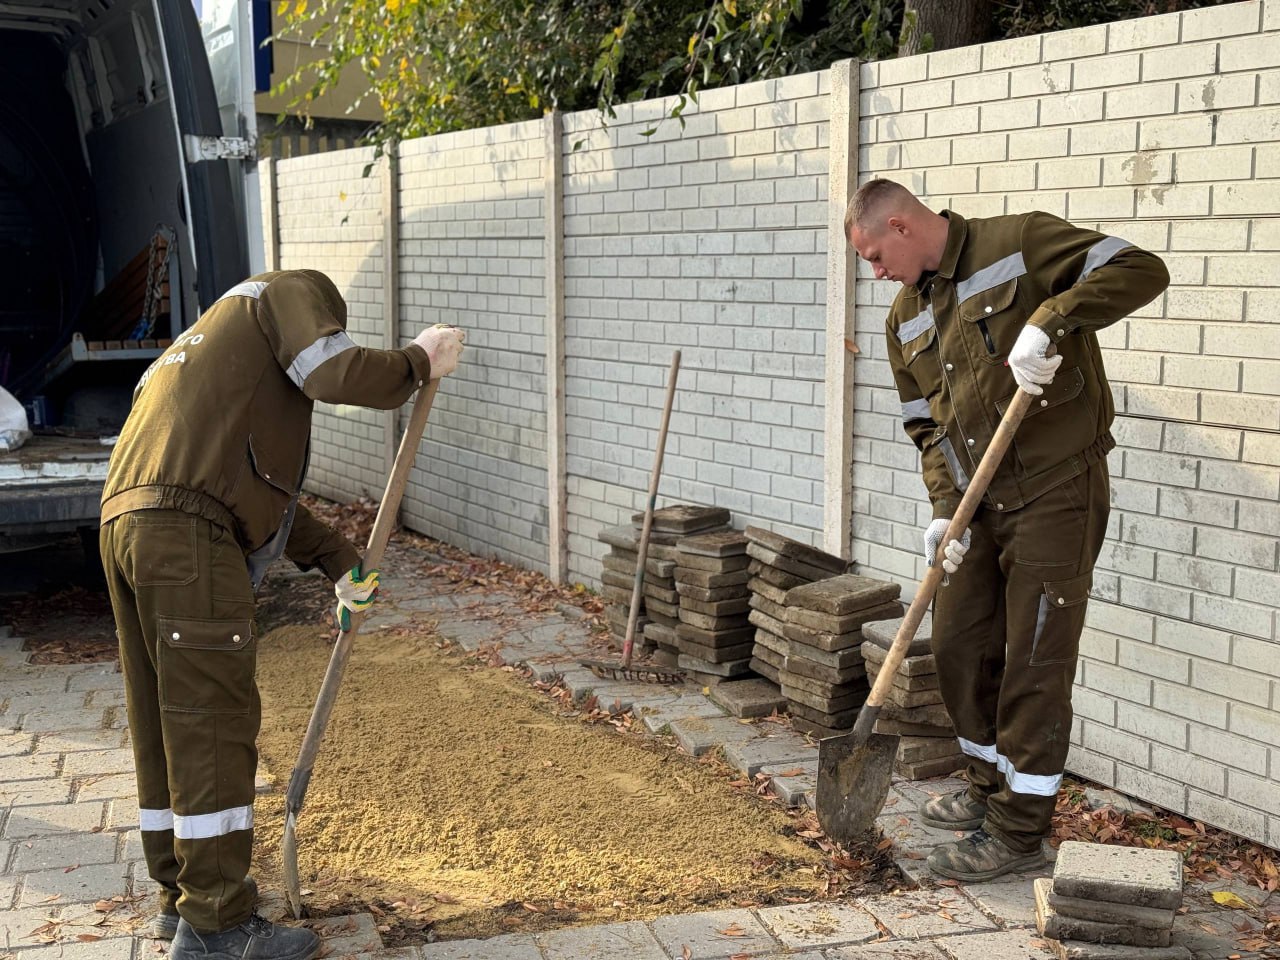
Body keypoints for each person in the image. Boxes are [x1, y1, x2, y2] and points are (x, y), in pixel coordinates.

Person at [99, 270, 465, 960]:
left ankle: (181, 904)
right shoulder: (285, 290)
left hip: (127, 526)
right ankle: (219, 927)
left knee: (165, 719)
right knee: (212, 723)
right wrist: (419, 361)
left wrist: (341, 565)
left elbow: (259, 492)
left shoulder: (200, 353)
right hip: (186, 536)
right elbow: (333, 370)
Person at [845, 180, 1168, 882]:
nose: (875, 274)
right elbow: (925, 428)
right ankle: (990, 790)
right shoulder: (904, 318)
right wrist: (941, 509)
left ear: (899, 226)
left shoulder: (1017, 243)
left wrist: (1052, 319)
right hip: (977, 506)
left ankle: (1020, 832)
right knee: (960, 646)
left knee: (1035, 662)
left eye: (874, 256)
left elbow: (1142, 268)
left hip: (1057, 491)